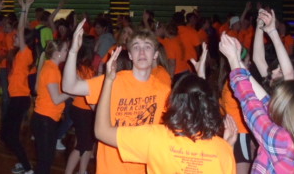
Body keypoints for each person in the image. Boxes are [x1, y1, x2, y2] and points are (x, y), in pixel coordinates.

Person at [94, 44, 237, 174]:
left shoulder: (155, 137)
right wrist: (227, 148)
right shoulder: (222, 151)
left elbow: (102, 131)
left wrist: (108, 80)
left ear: (173, 102)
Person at [220, 24, 294, 173]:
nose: (274, 71)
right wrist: (237, 59)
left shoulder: (283, 142)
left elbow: (251, 104)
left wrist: (233, 60)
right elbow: (264, 100)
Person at [63, 26, 171, 174]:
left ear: (155, 55)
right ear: (130, 55)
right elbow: (70, 86)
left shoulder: (163, 91)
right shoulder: (113, 80)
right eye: (136, 47)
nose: (142, 52)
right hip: (110, 169)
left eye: (147, 47)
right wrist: (73, 51)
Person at [0, 0, 36, 174]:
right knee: (8, 134)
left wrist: (24, 8)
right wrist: (25, 7)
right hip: (17, 98)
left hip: (20, 99)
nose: (14, 37)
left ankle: (28, 168)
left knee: (9, 135)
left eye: (17, 37)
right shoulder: (19, 54)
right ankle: (24, 163)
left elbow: (21, 30)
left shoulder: (25, 53)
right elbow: (21, 30)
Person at [31, 38, 72, 174]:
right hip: (45, 120)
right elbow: (56, 99)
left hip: (45, 118)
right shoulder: (51, 70)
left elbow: (38, 89)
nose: (67, 52)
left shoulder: (49, 67)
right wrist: (71, 91)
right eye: (65, 49)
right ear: (57, 53)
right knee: (45, 161)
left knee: (44, 160)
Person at [64, 35, 97, 174]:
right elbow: (76, 91)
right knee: (82, 145)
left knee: (88, 143)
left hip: (86, 110)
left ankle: (82, 171)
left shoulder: (87, 67)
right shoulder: (79, 68)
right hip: (81, 110)